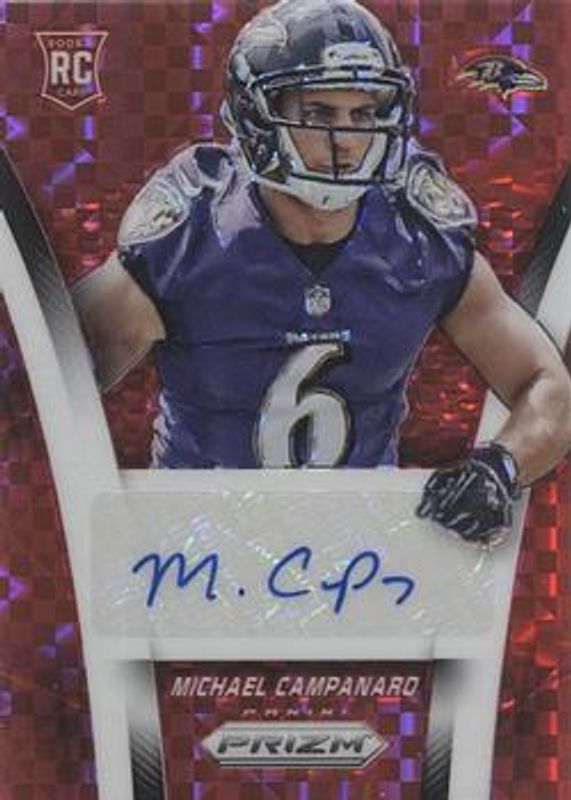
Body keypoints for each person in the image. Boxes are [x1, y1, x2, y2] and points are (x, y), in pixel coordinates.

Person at [74, 0, 571, 543]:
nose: (348, 140)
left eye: (363, 115)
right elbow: (45, 378)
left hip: (360, 556)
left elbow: (549, 386)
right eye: (319, 114)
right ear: (256, 118)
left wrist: (500, 468)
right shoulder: (196, 235)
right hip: (193, 553)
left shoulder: (415, 236)